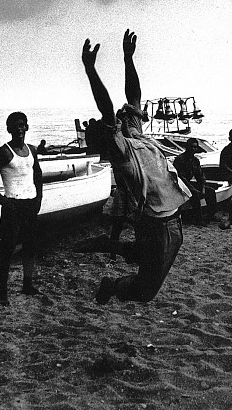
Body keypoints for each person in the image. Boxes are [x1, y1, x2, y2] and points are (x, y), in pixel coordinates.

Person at [73, 28, 191, 304]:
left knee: (147, 265)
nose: (128, 113)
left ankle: (114, 247)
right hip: (156, 225)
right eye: (121, 116)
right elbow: (106, 109)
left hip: (173, 221)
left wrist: (128, 58)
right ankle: (112, 283)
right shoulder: (122, 151)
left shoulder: (137, 134)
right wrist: (90, 69)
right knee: (145, 293)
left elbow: (134, 95)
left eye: (127, 115)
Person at [0, 112, 44, 306]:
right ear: (8, 130)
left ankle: (27, 284)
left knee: (30, 245)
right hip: (12, 205)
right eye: (14, 126)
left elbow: (37, 173)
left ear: (27, 127)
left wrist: (39, 197)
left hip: (30, 203)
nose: (19, 129)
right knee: (8, 248)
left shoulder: (32, 150)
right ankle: (3, 292)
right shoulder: (4, 152)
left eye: (22, 125)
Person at [173, 137, 217, 221]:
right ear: (187, 147)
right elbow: (181, 177)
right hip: (180, 184)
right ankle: (198, 218)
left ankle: (212, 214)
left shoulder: (195, 161)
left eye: (195, 147)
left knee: (210, 191)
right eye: (191, 147)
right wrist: (193, 188)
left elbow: (200, 176)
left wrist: (203, 188)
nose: (193, 149)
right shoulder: (180, 159)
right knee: (195, 193)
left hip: (188, 183)